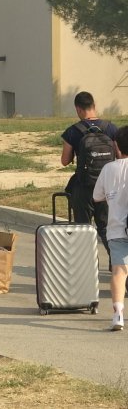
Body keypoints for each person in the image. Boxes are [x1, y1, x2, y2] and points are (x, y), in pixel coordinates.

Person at [61, 91, 119, 259]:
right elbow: (120, 155)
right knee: (106, 227)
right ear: (94, 106)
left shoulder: (72, 131)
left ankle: (85, 265)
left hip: (84, 187)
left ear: (78, 109)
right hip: (108, 186)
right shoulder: (111, 128)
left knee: (83, 228)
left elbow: (65, 160)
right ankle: (117, 265)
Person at [91, 125, 128, 331]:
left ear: (117, 147)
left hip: (116, 229)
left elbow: (97, 196)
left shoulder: (109, 169)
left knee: (119, 272)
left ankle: (118, 314)